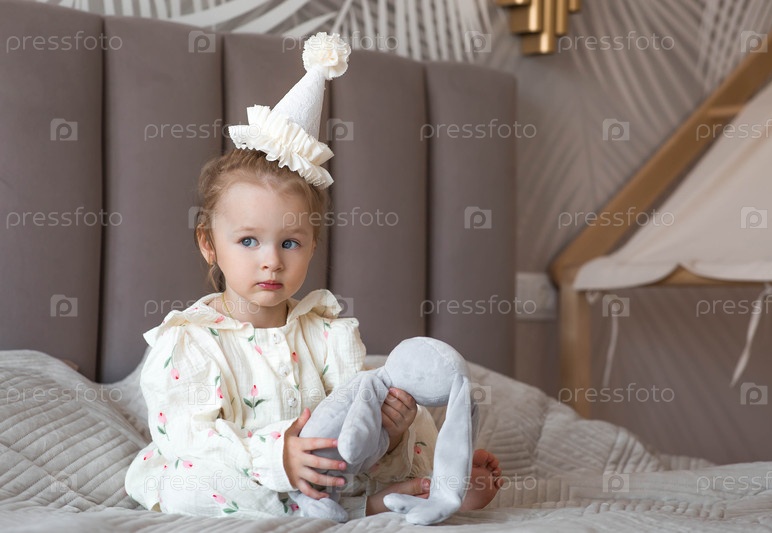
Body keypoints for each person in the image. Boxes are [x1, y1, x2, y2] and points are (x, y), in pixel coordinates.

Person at [124, 32, 502, 521]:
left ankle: (432, 480)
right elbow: (189, 436)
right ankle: (361, 506)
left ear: (312, 247)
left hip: (330, 472)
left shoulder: (327, 334)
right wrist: (277, 456)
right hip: (244, 469)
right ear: (208, 244)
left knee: (416, 419)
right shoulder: (190, 342)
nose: (271, 261)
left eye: (290, 243)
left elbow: (349, 429)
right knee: (185, 484)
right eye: (248, 241)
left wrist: (387, 433)